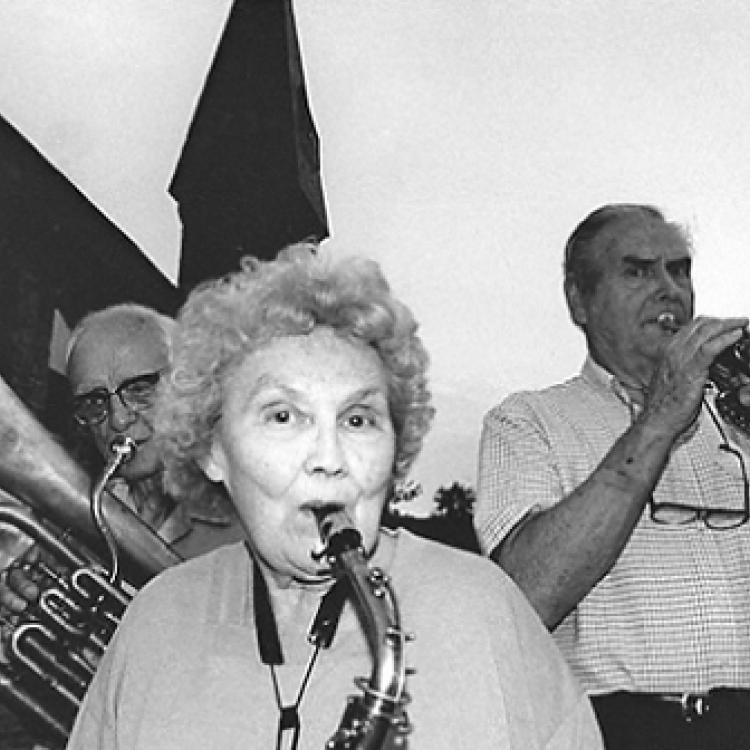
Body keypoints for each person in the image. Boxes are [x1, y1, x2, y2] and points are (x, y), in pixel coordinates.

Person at [65, 244, 603, 750]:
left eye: (358, 419)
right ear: (213, 452)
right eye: (283, 416)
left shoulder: (484, 608)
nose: (330, 457)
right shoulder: (154, 620)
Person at [474, 203, 750, 750]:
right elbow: (527, 596)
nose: (670, 288)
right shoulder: (527, 421)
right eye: (638, 270)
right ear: (580, 300)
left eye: (680, 270)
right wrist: (661, 419)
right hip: (615, 734)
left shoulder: (740, 414)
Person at [0, 304, 245, 750]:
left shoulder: (246, 535)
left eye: (140, 388)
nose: (117, 420)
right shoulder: (65, 540)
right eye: (94, 402)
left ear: (188, 386)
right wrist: (18, 629)